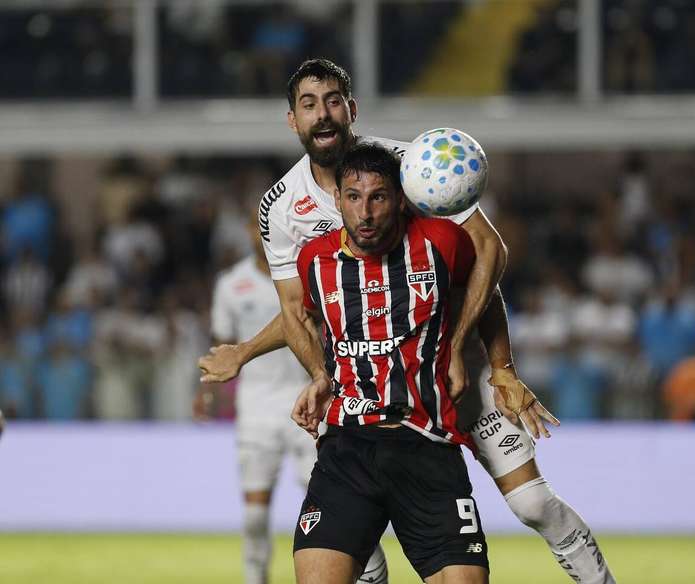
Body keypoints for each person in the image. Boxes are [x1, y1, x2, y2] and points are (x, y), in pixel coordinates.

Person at [199, 58, 615, 584]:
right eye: (309, 105)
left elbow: (486, 255)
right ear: (292, 120)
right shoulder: (281, 208)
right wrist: (320, 378)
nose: (323, 116)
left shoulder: (414, 165)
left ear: (351, 108)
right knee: (352, 537)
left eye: (333, 101)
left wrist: (498, 365)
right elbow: (299, 312)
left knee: (532, 503)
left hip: (455, 373)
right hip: (370, 389)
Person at [291, 142, 488, 583]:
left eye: (378, 197)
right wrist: (321, 377)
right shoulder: (315, 261)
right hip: (348, 451)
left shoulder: (441, 241)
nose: (365, 212)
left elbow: (484, 290)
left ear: (400, 198)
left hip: (427, 446)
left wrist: (476, 354)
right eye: (353, 197)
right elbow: (308, 320)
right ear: (338, 199)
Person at [193, 216, 318, 584]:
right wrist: (207, 391)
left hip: (308, 402)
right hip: (257, 408)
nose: (261, 234)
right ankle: (255, 578)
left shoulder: (307, 274)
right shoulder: (232, 284)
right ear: (248, 231)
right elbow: (221, 344)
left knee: (325, 507)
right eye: (254, 226)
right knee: (254, 515)